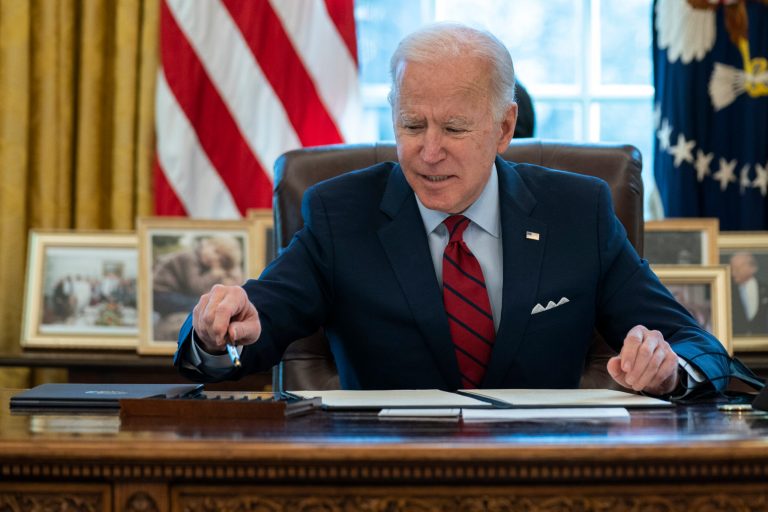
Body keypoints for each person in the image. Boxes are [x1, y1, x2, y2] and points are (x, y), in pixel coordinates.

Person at [176, 23, 730, 396]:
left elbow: (699, 348)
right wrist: (216, 333)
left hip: (543, 477)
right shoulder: (340, 215)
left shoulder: (576, 212)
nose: (429, 151)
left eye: (455, 128)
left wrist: (668, 372)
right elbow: (250, 333)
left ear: (504, 128)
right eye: (412, 125)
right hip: (386, 480)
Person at [154, 235, 244, 341]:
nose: (215, 259)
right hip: (161, 294)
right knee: (201, 305)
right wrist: (214, 274)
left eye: (220, 260)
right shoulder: (189, 258)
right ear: (207, 243)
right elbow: (195, 288)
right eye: (216, 252)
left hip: (175, 294)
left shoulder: (202, 262)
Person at [729, 251, 768, 335]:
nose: (733, 273)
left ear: (753, 268)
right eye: (732, 269)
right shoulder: (727, 291)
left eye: (737, 268)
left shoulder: (765, 289)